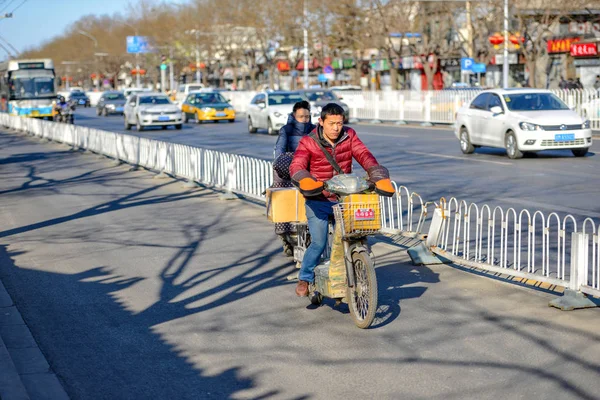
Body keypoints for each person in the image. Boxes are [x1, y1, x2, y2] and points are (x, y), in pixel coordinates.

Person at [289, 103, 395, 297]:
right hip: (318, 199)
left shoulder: (349, 135)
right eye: (331, 123)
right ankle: (305, 277)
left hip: (343, 199)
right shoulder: (308, 141)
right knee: (319, 242)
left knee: (358, 235)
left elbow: (364, 155)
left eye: (339, 123)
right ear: (321, 122)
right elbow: (297, 164)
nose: (336, 128)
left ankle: (358, 268)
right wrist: (306, 180)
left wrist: (377, 174)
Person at [271, 100, 315, 256]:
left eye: (307, 116)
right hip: (286, 170)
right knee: (284, 204)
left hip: (308, 172)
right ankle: (285, 237)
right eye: (301, 116)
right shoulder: (286, 130)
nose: (304, 119)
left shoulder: (315, 130)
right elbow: (279, 152)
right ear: (294, 115)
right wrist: (284, 163)